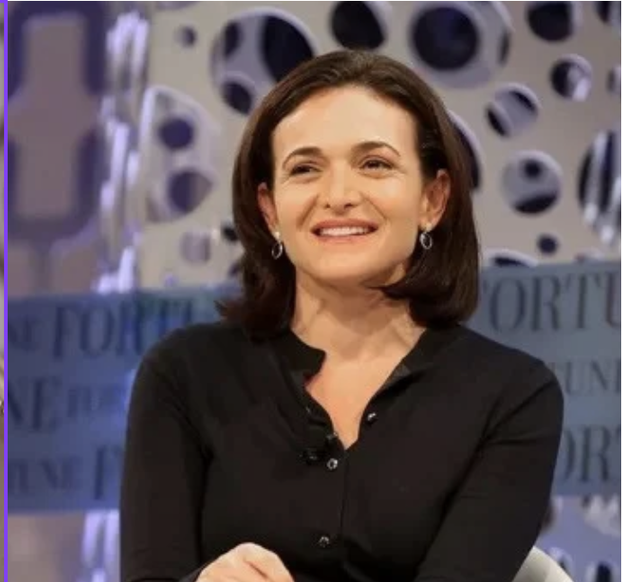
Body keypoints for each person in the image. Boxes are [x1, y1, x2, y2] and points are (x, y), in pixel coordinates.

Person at [120, 50, 563, 582]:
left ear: (433, 199)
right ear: (269, 209)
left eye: (374, 164)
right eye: (305, 169)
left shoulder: (512, 396)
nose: (338, 196)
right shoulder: (185, 374)